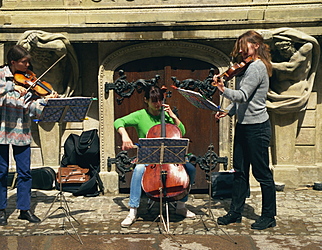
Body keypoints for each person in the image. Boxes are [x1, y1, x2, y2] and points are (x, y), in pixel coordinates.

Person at [0, 45, 58, 226]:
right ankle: (1, 209)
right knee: (1, 173)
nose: (28, 65)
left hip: (21, 132)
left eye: (28, 62)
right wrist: (11, 86)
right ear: (13, 62)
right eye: (24, 62)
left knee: (25, 173)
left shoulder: (30, 81)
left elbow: (32, 109)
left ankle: (24, 210)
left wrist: (47, 102)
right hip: (0, 132)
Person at [212, 30, 276, 230]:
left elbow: (242, 95)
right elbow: (246, 101)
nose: (240, 50)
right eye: (240, 46)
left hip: (257, 128)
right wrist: (228, 111)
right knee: (240, 172)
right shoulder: (247, 67)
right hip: (244, 126)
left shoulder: (257, 68)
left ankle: (268, 216)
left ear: (255, 45)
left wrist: (222, 90)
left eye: (244, 45)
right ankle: (235, 212)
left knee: (262, 173)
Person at [114, 85, 196, 228]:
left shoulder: (166, 115)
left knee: (190, 168)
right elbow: (118, 122)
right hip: (149, 158)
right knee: (138, 169)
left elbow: (181, 131)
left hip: (170, 158)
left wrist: (174, 116)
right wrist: (125, 136)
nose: (158, 104)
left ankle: (181, 205)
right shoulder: (140, 115)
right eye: (154, 101)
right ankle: (133, 211)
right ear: (146, 100)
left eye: (160, 100)